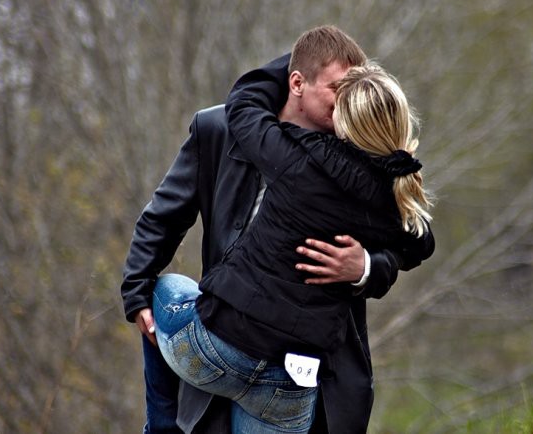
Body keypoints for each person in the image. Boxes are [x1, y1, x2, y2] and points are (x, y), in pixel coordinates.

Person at [121, 26, 433, 433]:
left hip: (312, 373)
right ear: (297, 82)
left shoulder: (359, 156)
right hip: (225, 336)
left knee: (169, 294)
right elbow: (164, 216)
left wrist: (365, 267)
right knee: (160, 294)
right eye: (339, 87)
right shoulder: (217, 129)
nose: (347, 99)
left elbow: (416, 238)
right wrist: (136, 290)